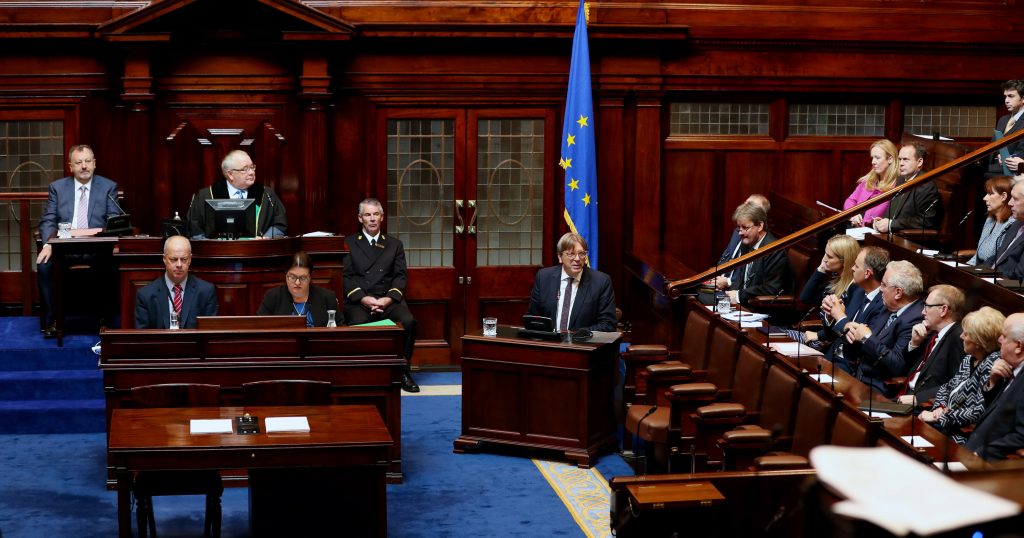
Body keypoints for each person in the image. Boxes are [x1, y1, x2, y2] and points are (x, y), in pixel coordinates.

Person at [36, 144, 123, 337]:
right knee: (44, 265)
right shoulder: (57, 188)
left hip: (97, 248)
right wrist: (48, 244)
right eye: (78, 162)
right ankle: (52, 321)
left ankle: (106, 319)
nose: (83, 166)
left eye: (87, 161)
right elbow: (49, 219)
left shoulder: (108, 187)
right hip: (64, 249)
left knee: (115, 263)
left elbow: (114, 219)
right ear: (71, 166)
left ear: (94, 164)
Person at [343, 198, 419, 393]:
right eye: (367, 215)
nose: (372, 219)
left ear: (382, 217)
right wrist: (363, 298)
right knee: (357, 323)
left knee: (408, 321)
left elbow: (400, 276)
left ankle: (403, 371)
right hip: (360, 300)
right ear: (360, 218)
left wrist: (387, 299)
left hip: (387, 299)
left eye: (376, 214)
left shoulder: (394, 244)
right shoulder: (348, 243)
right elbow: (346, 277)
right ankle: (365, 373)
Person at [919, 307, 1004, 446]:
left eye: (967, 334)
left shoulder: (991, 365)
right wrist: (939, 407)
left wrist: (942, 417)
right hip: (943, 425)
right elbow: (947, 387)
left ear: (979, 341)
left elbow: (978, 411)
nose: (961, 336)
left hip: (959, 436)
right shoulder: (970, 358)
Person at [843, 260, 924, 395]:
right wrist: (853, 332)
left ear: (898, 292)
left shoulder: (915, 320)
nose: (880, 289)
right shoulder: (889, 306)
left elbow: (896, 365)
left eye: (884, 285)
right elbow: (866, 338)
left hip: (879, 389)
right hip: (857, 375)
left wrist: (867, 338)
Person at [527, 232, 617, 333]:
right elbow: (532, 318)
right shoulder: (544, 277)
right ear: (560, 257)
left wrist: (574, 335)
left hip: (583, 345)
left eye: (582, 254)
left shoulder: (601, 282)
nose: (577, 259)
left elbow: (608, 325)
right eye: (571, 254)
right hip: (549, 345)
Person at [187, 150, 287, 239]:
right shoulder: (206, 195)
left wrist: (266, 238)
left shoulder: (266, 194)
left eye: (252, 167)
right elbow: (195, 228)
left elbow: (279, 223)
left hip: (258, 255)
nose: (251, 172)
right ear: (230, 174)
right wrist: (210, 244)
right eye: (245, 169)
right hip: (218, 256)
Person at [965, 312, 1024, 460]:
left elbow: (1021, 434)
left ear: (1018, 346)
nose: (999, 340)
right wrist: (993, 381)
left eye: (1004, 336)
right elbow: (993, 410)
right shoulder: (1011, 368)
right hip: (972, 448)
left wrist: (982, 453)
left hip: (989, 465)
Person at [894, 284, 965, 407]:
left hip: (923, 406)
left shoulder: (958, 339)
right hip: (904, 396)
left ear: (943, 310)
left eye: (927, 306)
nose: (922, 312)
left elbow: (958, 385)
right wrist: (914, 344)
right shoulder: (932, 333)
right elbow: (906, 368)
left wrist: (918, 399)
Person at [822, 246, 889, 374]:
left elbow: (857, 342)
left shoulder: (883, 304)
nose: (852, 268)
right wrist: (830, 315)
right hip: (830, 356)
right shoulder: (856, 289)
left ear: (867, 273)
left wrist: (840, 317)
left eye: (856, 266)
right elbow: (831, 334)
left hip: (850, 367)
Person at [711, 201, 788, 306]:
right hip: (743, 302)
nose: (740, 233)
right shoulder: (746, 243)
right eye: (739, 228)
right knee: (702, 297)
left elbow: (770, 289)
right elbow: (743, 278)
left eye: (745, 228)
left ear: (760, 226)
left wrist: (738, 296)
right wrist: (729, 292)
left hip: (761, 309)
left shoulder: (774, 250)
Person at [135, 236, 218, 329]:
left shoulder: (206, 292)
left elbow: (210, 334)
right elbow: (142, 338)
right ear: (164, 259)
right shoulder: (145, 295)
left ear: (190, 259)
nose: (179, 265)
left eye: (184, 259)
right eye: (173, 259)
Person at [801, 234, 860, 345]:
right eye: (825, 254)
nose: (825, 259)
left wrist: (818, 335)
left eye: (829, 256)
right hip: (826, 338)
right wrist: (821, 268)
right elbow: (806, 298)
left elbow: (846, 326)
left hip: (833, 344)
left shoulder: (854, 289)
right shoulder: (836, 281)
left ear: (844, 261)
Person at [257, 251, 341, 327]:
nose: (297, 282)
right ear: (286, 275)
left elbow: (341, 330)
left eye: (303, 278)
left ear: (310, 277)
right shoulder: (272, 297)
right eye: (293, 277)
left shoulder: (328, 297)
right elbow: (259, 328)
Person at [872, 142, 940, 234]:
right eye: (899, 159)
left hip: (909, 239)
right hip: (893, 234)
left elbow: (925, 221)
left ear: (919, 162)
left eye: (905, 159)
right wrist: (882, 221)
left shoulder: (926, 185)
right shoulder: (900, 179)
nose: (900, 163)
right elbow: (894, 211)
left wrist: (891, 224)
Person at [844, 139, 899, 227]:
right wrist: (853, 215)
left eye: (877, 157)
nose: (873, 162)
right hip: (853, 227)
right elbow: (850, 200)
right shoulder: (868, 180)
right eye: (872, 157)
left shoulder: (897, 185)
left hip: (873, 233)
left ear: (890, 159)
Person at [968, 176, 1014, 267]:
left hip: (991, 274)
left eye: (990, 194)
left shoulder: (1012, 224)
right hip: (979, 271)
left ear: (1003, 196)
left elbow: (998, 261)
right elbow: (978, 255)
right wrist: (965, 268)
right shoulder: (990, 219)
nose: (984, 198)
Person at [990, 80, 1024, 177]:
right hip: (994, 166)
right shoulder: (1003, 120)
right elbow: (993, 146)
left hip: (1012, 170)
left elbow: (1021, 151)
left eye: (1011, 96)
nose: (1006, 100)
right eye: (1005, 96)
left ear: (1023, 99)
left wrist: (1008, 158)